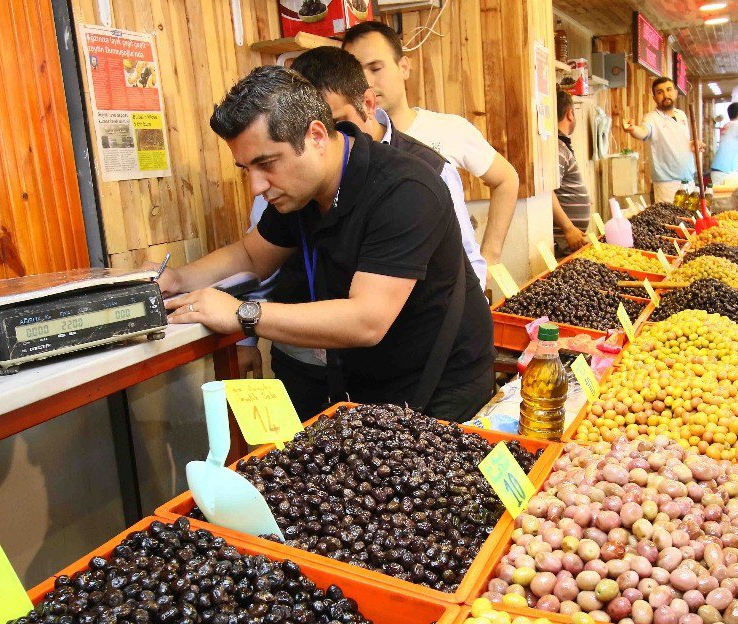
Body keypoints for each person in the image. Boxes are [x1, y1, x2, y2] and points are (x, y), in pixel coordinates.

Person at [155, 67, 494, 421]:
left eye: (266, 163)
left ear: (316, 136)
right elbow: (251, 255)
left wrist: (242, 314)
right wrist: (176, 279)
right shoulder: (298, 190)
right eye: (245, 169)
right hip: (365, 382)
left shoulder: (405, 188)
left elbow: (367, 320)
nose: (256, 186)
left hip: (441, 384)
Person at [342, 21, 519, 266]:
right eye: (356, 73)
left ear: (403, 67)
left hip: (452, 287)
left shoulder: (450, 129)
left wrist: (489, 258)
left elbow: (506, 179)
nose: (366, 82)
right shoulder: (343, 146)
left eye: (375, 68)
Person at [621, 77, 702, 203]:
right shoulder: (651, 118)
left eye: (669, 90)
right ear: (654, 98)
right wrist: (632, 129)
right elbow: (643, 131)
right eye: (660, 92)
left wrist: (692, 145)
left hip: (689, 180)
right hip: (667, 184)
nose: (665, 95)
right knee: (671, 221)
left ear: (675, 92)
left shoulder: (681, 115)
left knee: (690, 221)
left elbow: (679, 140)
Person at [553, 89, 589, 253]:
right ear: (569, 114)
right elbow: (547, 193)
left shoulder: (560, 146)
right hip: (562, 240)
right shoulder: (558, 147)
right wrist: (568, 228)